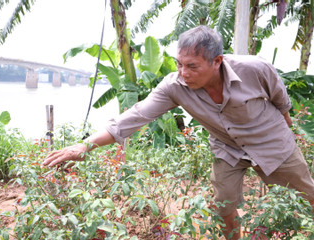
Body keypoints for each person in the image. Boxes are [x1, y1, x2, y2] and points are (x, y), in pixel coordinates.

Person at [43, 25, 314, 239]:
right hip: (227, 148)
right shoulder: (173, 86)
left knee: (306, 197)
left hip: (271, 142)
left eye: (192, 66)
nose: (183, 72)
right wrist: (85, 146)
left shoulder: (255, 68)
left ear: (217, 61)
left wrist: (287, 133)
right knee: (223, 206)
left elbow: (280, 100)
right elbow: (134, 116)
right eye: (179, 64)